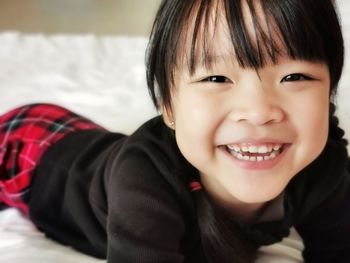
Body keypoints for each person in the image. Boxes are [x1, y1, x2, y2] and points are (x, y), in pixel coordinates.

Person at [0, 0, 349, 262]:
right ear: (168, 106)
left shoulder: (325, 166)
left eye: (295, 77)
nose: (258, 112)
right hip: (29, 148)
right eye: (216, 78)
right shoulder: (145, 179)